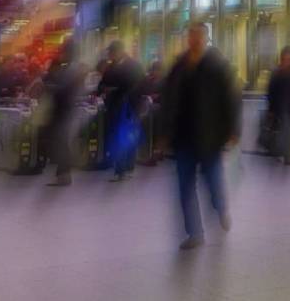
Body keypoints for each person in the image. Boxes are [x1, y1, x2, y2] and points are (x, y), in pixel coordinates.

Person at [161, 22, 240, 250]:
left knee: (213, 182)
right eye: (191, 35)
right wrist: (165, 132)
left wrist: (233, 129)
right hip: (184, 138)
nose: (194, 40)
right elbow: (168, 99)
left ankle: (221, 206)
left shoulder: (216, 65)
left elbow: (231, 98)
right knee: (185, 187)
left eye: (198, 36)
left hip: (209, 136)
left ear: (205, 38)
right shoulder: (179, 66)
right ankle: (194, 233)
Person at [43, 38, 85, 187]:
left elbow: (63, 90)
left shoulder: (70, 69)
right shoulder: (71, 68)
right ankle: (63, 174)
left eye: (63, 50)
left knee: (62, 143)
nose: (61, 53)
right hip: (65, 110)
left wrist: (51, 87)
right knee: (62, 142)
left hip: (63, 111)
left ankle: (63, 175)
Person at [98, 40, 142, 181]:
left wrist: (116, 89)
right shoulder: (110, 67)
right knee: (116, 137)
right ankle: (121, 167)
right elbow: (101, 84)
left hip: (128, 107)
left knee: (125, 137)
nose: (109, 55)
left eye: (111, 52)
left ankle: (124, 168)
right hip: (113, 107)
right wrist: (103, 89)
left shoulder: (133, 65)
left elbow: (136, 86)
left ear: (119, 52)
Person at [266, 47, 290, 166]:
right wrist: (271, 109)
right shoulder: (277, 72)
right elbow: (271, 92)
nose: (288, 60)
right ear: (282, 58)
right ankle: (288, 158)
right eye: (285, 58)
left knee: (287, 133)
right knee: (285, 133)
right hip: (281, 109)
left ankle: (279, 154)